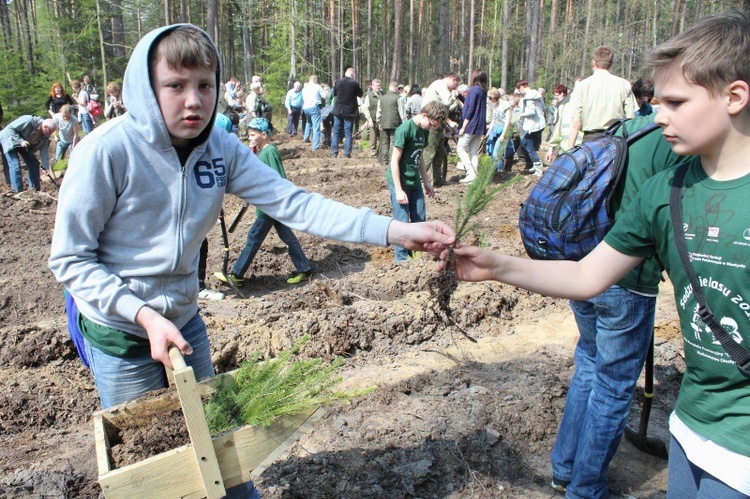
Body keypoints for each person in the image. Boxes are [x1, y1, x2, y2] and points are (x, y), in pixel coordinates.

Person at [47, 24, 454, 412]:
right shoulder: (105, 152)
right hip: (119, 329)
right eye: (175, 86)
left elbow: (297, 204)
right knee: (147, 457)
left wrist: (397, 230)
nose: (194, 100)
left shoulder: (221, 148)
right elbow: (71, 259)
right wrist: (142, 315)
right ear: (145, 88)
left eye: (205, 86)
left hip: (184, 319)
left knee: (217, 437)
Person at [432, 12, 750, 499]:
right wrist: (495, 266)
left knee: (593, 366)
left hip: (741, 451)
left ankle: (574, 477)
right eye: (657, 100)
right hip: (692, 430)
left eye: (675, 102)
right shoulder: (665, 191)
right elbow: (586, 275)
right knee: (607, 377)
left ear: (735, 97)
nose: (658, 114)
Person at [215, 117, 314, 287]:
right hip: (269, 205)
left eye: (253, 135)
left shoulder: (270, 151)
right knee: (287, 237)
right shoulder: (263, 151)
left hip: (270, 206)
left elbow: (279, 177)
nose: (250, 138)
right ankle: (304, 268)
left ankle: (237, 274)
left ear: (264, 134)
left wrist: (273, 200)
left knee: (254, 237)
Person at [387, 101, 448, 262]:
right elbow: (394, 161)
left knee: (420, 220)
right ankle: (400, 261)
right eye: (431, 124)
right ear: (424, 115)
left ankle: (417, 256)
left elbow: (419, 156)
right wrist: (399, 190)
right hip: (399, 182)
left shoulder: (424, 131)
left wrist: (426, 182)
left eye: (434, 126)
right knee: (401, 222)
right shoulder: (405, 129)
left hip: (414, 182)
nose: (431, 128)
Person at [567, 46, 637, 149]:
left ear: (593, 62)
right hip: (616, 140)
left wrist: (570, 149)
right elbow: (631, 119)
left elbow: (575, 123)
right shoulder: (624, 85)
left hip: (590, 141)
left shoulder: (582, 86)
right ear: (611, 63)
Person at [421, 72, 460, 186]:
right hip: (432, 123)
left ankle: (438, 180)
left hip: (439, 123)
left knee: (440, 152)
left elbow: (447, 106)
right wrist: (454, 95)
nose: (454, 88)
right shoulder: (440, 84)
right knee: (430, 151)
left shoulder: (440, 86)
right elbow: (448, 101)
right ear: (454, 80)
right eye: (455, 85)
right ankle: (418, 180)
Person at [0, 116, 57, 192]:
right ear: (45, 127)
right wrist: (21, 141)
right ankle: (17, 190)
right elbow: (10, 128)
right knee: (15, 164)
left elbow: (44, 151)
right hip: (9, 138)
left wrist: (45, 167)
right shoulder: (28, 120)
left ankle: (34, 190)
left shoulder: (45, 136)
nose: (49, 134)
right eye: (50, 132)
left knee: (33, 163)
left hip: (24, 143)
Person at [456, 69, 488, 184]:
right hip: (479, 125)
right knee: (473, 152)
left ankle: (471, 173)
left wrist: (464, 126)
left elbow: (470, 108)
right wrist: (460, 97)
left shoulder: (474, 90)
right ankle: (473, 176)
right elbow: (469, 103)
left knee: (460, 148)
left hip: (471, 124)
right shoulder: (483, 91)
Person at [515, 79, 547, 177]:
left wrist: (521, 115)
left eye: (520, 90)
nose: (520, 93)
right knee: (524, 143)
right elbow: (544, 108)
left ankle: (538, 168)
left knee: (529, 147)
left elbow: (531, 111)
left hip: (534, 125)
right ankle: (535, 163)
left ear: (522, 87)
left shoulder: (529, 97)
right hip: (539, 123)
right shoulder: (537, 95)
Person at [545, 84, 582, 164]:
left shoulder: (567, 103)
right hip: (564, 147)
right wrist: (551, 147)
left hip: (579, 149)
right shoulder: (566, 105)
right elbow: (559, 126)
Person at [330, 67, 363, 158]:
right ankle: (347, 153)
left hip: (338, 110)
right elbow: (360, 94)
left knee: (336, 131)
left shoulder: (338, 82)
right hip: (349, 111)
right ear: (352, 74)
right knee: (348, 133)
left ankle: (334, 152)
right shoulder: (354, 83)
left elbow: (335, 94)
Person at [377, 81, 405, 165]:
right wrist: (405, 124)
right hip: (395, 124)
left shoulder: (381, 98)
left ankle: (384, 161)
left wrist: (379, 123)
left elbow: (379, 112)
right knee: (394, 143)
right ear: (396, 88)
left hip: (384, 124)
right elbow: (402, 113)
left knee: (384, 143)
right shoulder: (398, 98)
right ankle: (393, 162)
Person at [485, 89, 512, 171]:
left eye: (490, 97)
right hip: (495, 129)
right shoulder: (494, 105)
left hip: (503, 129)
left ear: (494, 96)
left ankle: (500, 170)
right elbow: (494, 119)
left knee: (497, 152)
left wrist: (503, 135)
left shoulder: (505, 104)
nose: (489, 99)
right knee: (492, 151)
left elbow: (508, 120)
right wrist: (488, 133)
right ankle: (494, 170)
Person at [302, 75, 323, 150]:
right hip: (314, 106)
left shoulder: (304, 88)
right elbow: (324, 96)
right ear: (315, 80)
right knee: (316, 126)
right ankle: (315, 146)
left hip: (306, 107)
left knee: (309, 122)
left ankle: (306, 137)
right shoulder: (317, 86)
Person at [362, 79, 383, 157]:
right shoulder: (369, 96)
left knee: (382, 138)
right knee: (373, 139)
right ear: (372, 86)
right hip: (373, 120)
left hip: (381, 121)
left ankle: (380, 153)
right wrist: (369, 120)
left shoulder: (382, 95)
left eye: (378, 85)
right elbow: (366, 109)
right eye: (376, 85)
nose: (377, 87)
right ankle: (373, 153)